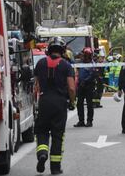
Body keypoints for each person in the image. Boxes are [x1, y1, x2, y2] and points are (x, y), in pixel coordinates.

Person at [34, 37, 75, 175]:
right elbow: (71, 87)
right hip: (60, 103)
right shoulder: (66, 65)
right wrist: (72, 102)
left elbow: (36, 85)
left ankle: (42, 153)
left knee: (42, 131)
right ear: (63, 50)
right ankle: (55, 167)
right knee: (58, 135)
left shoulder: (40, 64)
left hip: (44, 101)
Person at [74, 47, 95, 127]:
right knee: (79, 103)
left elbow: (92, 75)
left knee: (89, 104)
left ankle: (89, 121)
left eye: (85, 55)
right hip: (81, 86)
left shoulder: (92, 63)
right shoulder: (80, 63)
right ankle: (81, 120)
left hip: (89, 86)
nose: (83, 56)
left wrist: (85, 81)